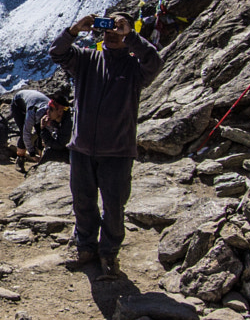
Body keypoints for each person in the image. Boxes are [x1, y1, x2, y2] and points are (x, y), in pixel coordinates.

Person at [49, 15, 164, 274]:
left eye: (119, 28)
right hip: (82, 149)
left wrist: (131, 36)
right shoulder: (86, 60)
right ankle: (86, 246)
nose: (112, 32)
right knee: (83, 201)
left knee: (114, 206)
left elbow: (155, 62)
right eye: (109, 28)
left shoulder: (135, 68)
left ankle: (109, 252)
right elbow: (57, 52)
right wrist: (75, 29)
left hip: (118, 152)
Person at [9, 86, 52, 158]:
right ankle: (20, 159)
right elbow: (26, 133)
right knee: (23, 132)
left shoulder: (53, 112)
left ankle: (41, 156)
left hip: (34, 102)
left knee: (41, 133)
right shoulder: (32, 113)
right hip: (18, 104)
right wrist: (31, 153)